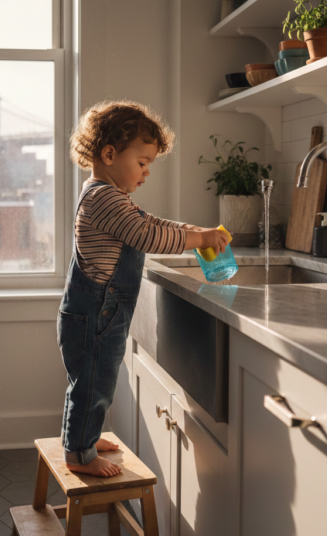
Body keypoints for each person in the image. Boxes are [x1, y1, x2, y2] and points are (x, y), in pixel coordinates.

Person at [57, 100, 229, 477]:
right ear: (109, 153)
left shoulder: (114, 198)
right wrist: (199, 237)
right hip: (94, 315)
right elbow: (147, 235)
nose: (147, 172)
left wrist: (192, 231)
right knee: (93, 382)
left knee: (93, 380)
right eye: (142, 162)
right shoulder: (103, 198)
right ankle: (78, 455)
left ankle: (81, 437)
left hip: (97, 313)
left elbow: (152, 222)